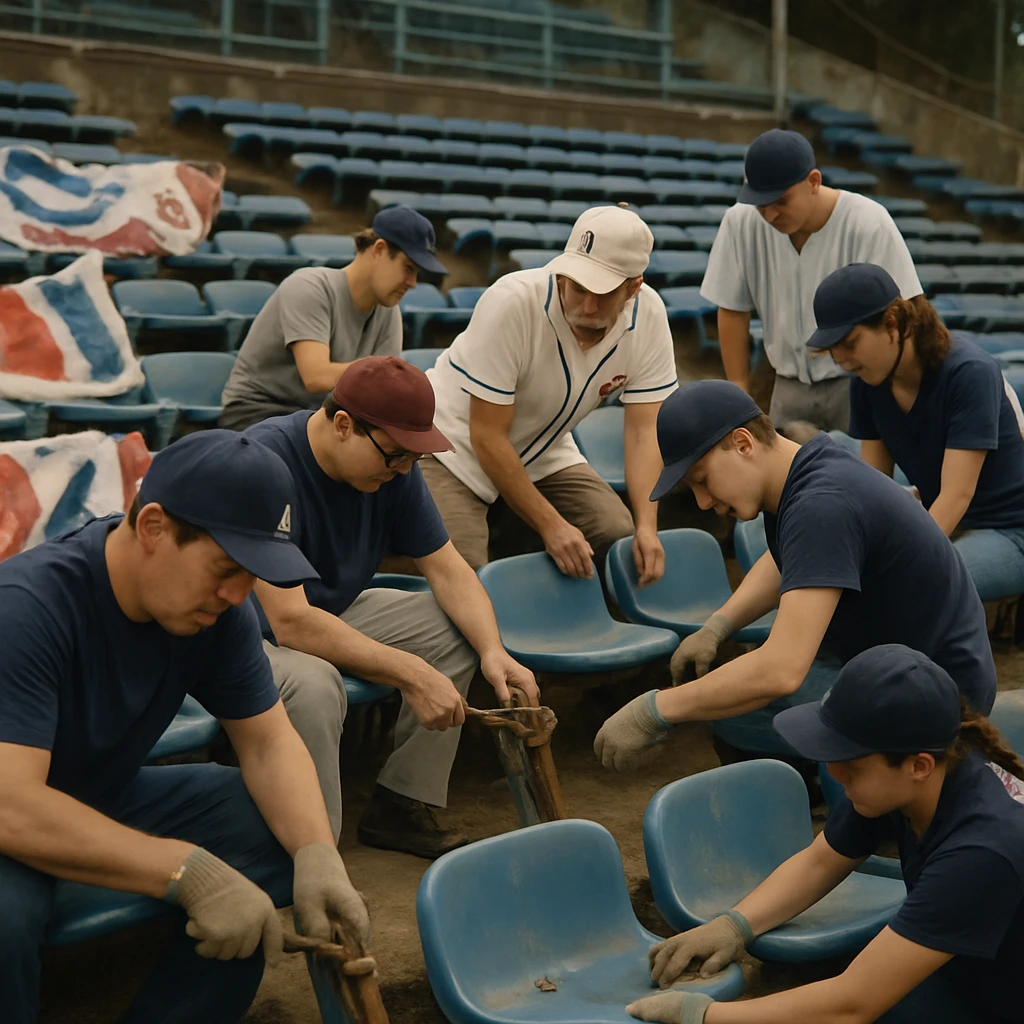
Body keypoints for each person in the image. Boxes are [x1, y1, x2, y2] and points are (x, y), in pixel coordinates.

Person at [0, 430, 370, 1024]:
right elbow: (12, 807)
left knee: (277, 837)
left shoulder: (218, 609)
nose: (237, 594)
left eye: (252, 575)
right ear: (153, 528)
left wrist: (318, 852)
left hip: (96, 793)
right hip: (12, 812)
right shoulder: (27, 607)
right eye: (226, 568)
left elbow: (270, 740)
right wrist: (184, 873)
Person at [593, 379, 997, 770]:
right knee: (731, 698)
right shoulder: (807, 467)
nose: (703, 502)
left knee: (741, 709)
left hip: (944, 698)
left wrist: (656, 710)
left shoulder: (821, 504)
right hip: (911, 670)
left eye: (702, 480)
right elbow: (790, 560)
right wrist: (720, 624)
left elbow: (781, 670)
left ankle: (857, 805)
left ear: (743, 443)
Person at [626, 644, 1024, 1024]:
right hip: (975, 973)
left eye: (850, 763)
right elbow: (822, 860)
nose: (833, 773)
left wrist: (701, 1015)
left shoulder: (981, 851)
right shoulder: (927, 771)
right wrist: (735, 924)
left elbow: (850, 1005)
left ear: (918, 766)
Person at [245, 356, 537, 860]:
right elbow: (288, 622)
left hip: (328, 612)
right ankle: (313, 855)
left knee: (456, 631)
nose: (404, 467)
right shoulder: (264, 461)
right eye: (396, 456)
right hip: (244, 631)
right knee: (315, 684)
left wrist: (494, 652)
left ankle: (402, 802)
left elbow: (448, 570)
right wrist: (411, 673)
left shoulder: (393, 465)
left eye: (413, 458)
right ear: (343, 425)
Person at [422, 204, 677, 582]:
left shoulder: (650, 315)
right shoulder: (512, 301)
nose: (588, 305)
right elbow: (486, 436)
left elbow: (644, 433)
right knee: (464, 574)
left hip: (543, 449)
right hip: (452, 447)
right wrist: (550, 524)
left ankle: (580, 631)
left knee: (615, 532)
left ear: (633, 287)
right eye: (578, 287)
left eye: (604, 293)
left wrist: (647, 527)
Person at [805, 262, 1024, 602]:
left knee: (908, 590)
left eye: (849, 343)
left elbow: (956, 496)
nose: (840, 359)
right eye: (832, 348)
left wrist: (895, 562)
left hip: (1008, 528)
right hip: (938, 516)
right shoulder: (867, 381)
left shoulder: (969, 372)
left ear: (892, 324)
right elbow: (876, 484)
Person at [700, 129, 922, 433]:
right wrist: (739, 389)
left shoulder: (868, 221)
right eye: (760, 203)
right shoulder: (741, 221)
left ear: (813, 182)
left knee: (862, 477)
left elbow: (905, 310)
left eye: (780, 201)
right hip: (788, 385)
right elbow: (732, 308)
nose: (769, 214)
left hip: (859, 382)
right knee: (788, 478)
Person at [219, 205, 447, 430]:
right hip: (256, 410)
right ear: (378, 250)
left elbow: (381, 390)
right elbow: (316, 376)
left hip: (320, 418)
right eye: (408, 268)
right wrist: (382, 373)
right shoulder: (310, 286)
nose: (413, 283)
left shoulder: (389, 310)